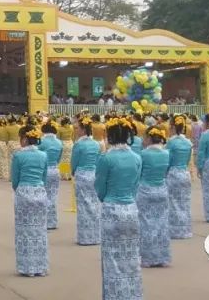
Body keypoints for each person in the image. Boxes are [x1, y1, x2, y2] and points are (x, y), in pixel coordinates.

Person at [96, 116, 143, 300]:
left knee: (112, 258)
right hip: (131, 209)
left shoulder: (106, 158)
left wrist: (108, 198)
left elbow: (100, 188)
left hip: (111, 209)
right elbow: (135, 185)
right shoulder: (136, 158)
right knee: (131, 257)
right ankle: (132, 294)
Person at [12, 123, 49, 277]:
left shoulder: (18, 155)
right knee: (40, 230)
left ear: (25, 139)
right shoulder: (43, 155)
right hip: (40, 191)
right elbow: (44, 177)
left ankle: (27, 267)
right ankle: (40, 266)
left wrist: (20, 190)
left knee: (24, 230)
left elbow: (15, 180)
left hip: (24, 192)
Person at [137, 126, 171, 267]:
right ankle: (161, 256)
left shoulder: (143, 154)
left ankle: (148, 257)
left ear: (150, 138)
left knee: (146, 223)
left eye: (145, 137)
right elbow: (166, 171)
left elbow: (138, 173)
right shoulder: (166, 153)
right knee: (161, 223)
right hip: (161, 190)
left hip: (145, 190)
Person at [72, 116, 102, 245]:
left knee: (83, 205)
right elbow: (99, 160)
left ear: (83, 129)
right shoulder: (96, 144)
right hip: (94, 174)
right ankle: (95, 235)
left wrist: (74, 172)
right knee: (94, 204)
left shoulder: (79, 144)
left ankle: (85, 237)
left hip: (82, 174)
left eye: (78, 128)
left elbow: (74, 162)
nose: (76, 130)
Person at [165, 114, 193, 240]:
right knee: (184, 202)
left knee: (173, 202)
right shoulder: (188, 142)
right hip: (184, 172)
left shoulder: (171, 143)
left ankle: (175, 230)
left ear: (172, 127)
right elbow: (188, 159)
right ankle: (185, 229)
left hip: (173, 173)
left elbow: (168, 160)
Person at [38, 120, 64, 230]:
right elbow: (59, 158)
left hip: (44, 170)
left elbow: (38, 157)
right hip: (55, 170)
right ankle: (52, 221)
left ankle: (44, 220)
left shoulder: (42, 141)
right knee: (53, 195)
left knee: (43, 194)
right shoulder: (59, 142)